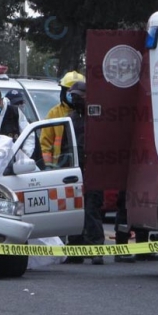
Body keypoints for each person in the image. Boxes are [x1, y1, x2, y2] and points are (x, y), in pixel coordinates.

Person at [61, 81, 105, 265]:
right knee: (73, 207)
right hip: (74, 170)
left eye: (79, 94)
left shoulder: (97, 117)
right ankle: (75, 249)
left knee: (92, 209)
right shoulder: (70, 119)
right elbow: (64, 147)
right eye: (74, 95)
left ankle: (96, 249)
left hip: (94, 169)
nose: (76, 98)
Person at [41, 70, 85, 169]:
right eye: (69, 91)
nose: (73, 95)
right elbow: (45, 144)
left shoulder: (88, 114)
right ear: (63, 91)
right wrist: (48, 166)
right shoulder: (54, 113)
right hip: (60, 169)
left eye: (78, 93)